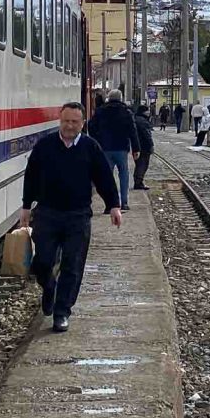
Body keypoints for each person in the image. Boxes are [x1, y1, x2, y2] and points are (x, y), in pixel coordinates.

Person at [21, 102, 122, 332]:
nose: (69, 126)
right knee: (42, 262)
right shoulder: (44, 146)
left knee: (72, 265)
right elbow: (31, 176)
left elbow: (104, 177)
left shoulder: (90, 147)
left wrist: (114, 205)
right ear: (60, 120)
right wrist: (26, 206)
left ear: (82, 123)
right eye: (66, 121)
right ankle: (49, 287)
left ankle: (62, 312)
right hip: (47, 213)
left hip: (78, 216)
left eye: (74, 122)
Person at [85, 89, 139, 210]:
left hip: (105, 148)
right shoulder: (126, 112)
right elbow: (133, 131)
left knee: (106, 177)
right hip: (121, 148)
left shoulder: (100, 111)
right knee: (124, 175)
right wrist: (136, 148)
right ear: (121, 98)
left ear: (109, 98)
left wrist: (97, 140)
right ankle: (124, 202)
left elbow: (91, 126)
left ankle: (110, 204)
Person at [133, 104, 155, 190]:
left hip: (137, 145)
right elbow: (147, 135)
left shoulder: (136, 119)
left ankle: (138, 181)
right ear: (144, 112)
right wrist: (151, 145)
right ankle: (138, 183)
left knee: (139, 164)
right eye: (147, 111)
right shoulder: (143, 121)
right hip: (144, 146)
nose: (149, 112)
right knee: (143, 164)